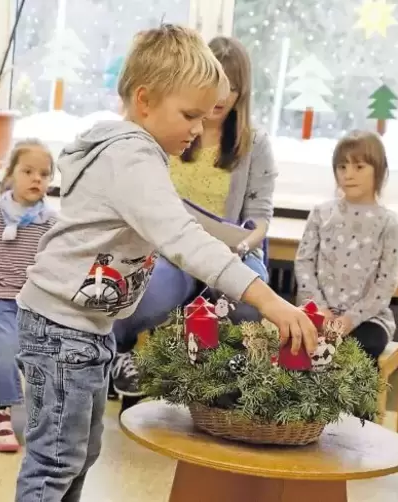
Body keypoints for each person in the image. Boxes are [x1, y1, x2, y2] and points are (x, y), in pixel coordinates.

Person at [13, 24, 318, 502]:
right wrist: (270, 301)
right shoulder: (131, 156)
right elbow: (182, 238)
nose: (198, 128)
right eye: (190, 114)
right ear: (144, 100)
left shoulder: (134, 152)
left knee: (78, 455)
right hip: (62, 329)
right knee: (55, 464)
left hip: (84, 327)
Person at [110, 35, 277, 397]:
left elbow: (261, 214)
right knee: (143, 297)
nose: (223, 96)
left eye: (232, 87)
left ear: (242, 92)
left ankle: (228, 390)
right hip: (173, 250)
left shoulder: (254, 143)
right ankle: (119, 356)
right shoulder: (170, 130)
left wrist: (244, 244)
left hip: (231, 250)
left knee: (251, 307)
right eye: (217, 85)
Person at [0, 139, 56, 453]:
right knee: (4, 345)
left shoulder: (53, 223)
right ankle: (1, 415)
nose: (36, 179)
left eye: (44, 174)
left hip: (40, 303)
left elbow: (57, 266)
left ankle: (46, 418)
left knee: (56, 350)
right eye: (28, 171)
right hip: (1, 299)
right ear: (10, 175)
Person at [295, 130, 398, 361]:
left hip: (367, 321)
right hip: (317, 313)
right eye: (342, 167)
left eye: (359, 167)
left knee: (360, 347)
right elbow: (304, 264)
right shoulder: (320, 213)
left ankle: (346, 396)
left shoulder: (389, 223)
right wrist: (320, 310)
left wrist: (349, 320)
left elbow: (385, 284)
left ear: (379, 171)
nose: (348, 174)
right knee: (296, 338)